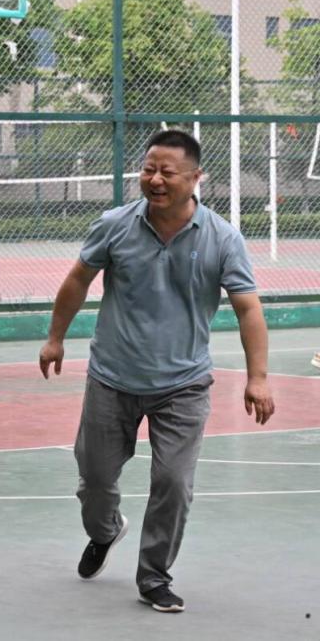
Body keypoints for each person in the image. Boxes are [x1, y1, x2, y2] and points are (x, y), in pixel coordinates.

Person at [38, 130, 275, 613]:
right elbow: (78, 279)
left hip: (184, 385)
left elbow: (248, 308)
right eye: (149, 169)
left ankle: (154, 577)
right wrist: (55, 337)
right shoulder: (114, 225)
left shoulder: (222, 238)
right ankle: (105, 531)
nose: (155, 180)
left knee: (173, 483)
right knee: (95, 479)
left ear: (196, 177)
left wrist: (258, 377)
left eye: (168, 172)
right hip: (112, 377)